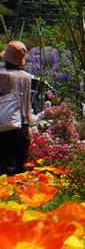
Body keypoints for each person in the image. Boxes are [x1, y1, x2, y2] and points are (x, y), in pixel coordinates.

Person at [0, 41, 32, 174]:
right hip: (24, 126)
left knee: (6, 167)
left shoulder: (4, 75)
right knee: (21, 166)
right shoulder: (27, 77)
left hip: (7, 125)